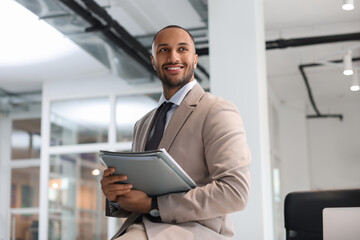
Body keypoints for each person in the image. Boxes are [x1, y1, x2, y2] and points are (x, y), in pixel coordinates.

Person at [100, 25, 251, 240]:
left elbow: (235, 192)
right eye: (163, 50)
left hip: (196, 231)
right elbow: (139, 195)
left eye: (182, 49)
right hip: (140, 229)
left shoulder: (216, 110)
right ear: (153, 61)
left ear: (195, 59)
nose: (173, 57)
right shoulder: (142, 124)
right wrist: (115, 195)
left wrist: (153, 205)